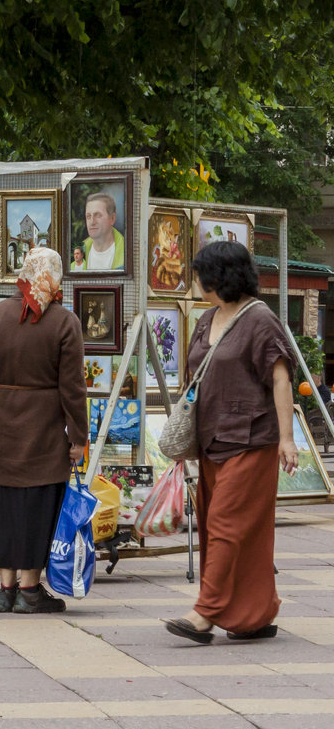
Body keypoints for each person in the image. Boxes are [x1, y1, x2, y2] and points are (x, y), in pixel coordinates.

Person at [164, 241, 297, 644]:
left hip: (252, 439)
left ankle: (205, 612)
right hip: (210, 439)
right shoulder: (206, 320)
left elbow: (281, 378)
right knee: (228, 528)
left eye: (201, 273)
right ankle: (254, 616)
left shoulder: (261, 320)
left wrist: (287, 439)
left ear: (221, 276)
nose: (196, 280)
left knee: (225, 523)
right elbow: (195, 378)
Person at [0, 247, 87, 613]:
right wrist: (78, 437)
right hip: (43, 432)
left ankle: (5, 588)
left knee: (3, 504)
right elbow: (73, 389)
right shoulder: (64, 322)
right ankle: (30, 590)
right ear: (54, 276)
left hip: (0, 429)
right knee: (37, 505)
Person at [81, 191, 125, 271]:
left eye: (97, 215)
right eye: (88, 216)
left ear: (112, 218)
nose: (92, 222)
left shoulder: (127, 253)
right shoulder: (80, 250)